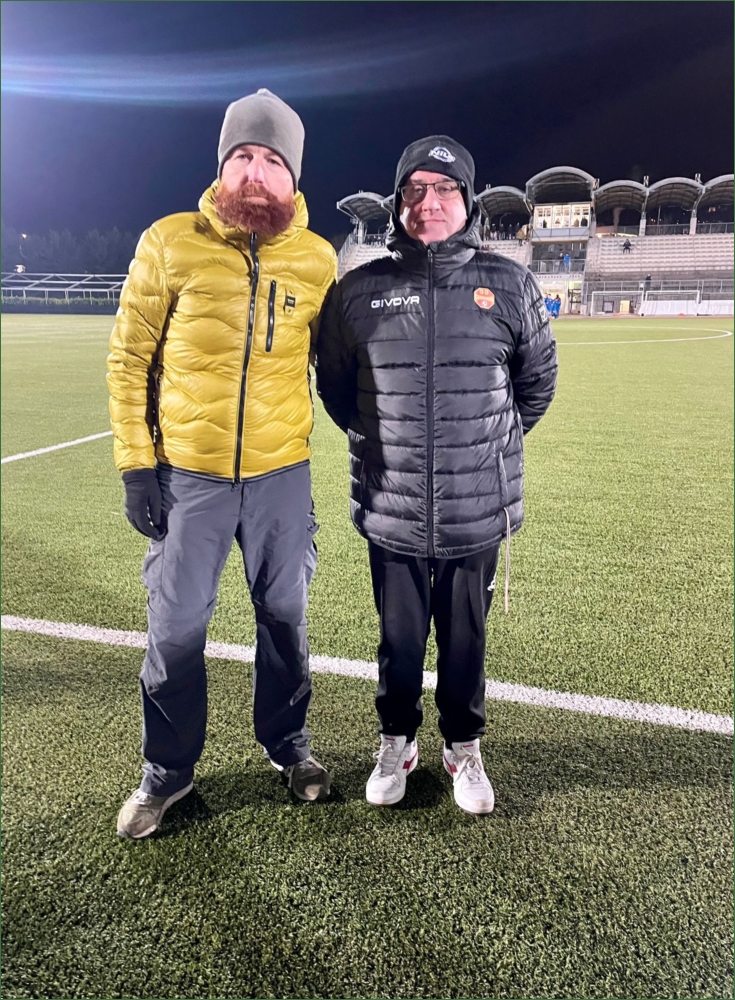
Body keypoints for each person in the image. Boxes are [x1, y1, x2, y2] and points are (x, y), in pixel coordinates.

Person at [108, 89, 338, 839]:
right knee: (175, 627)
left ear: (293, 177)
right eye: (242, 155)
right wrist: (137, 465)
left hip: (282, 476)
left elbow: (336, 368)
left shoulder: (317, 259)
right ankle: (167, 771)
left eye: (271, 160)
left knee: (285, 619)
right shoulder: (169, 242)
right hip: (188, 478)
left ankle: (288, 745)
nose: (255, 172)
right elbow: (128, 361)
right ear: (221, 165)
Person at [316, 136, 557, 816]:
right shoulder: (357, 290)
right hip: (390, 502)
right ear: (398, 203)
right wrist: (385, 445)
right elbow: (337, 389)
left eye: (445, 189)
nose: (430, 202)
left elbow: (535, 385)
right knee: (397, 640)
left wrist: (480, 449)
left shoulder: (509, 283)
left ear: (468, 201)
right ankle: (396, 740)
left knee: (464, 640)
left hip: (474, 505)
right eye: (415, 189)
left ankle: (462, 746)